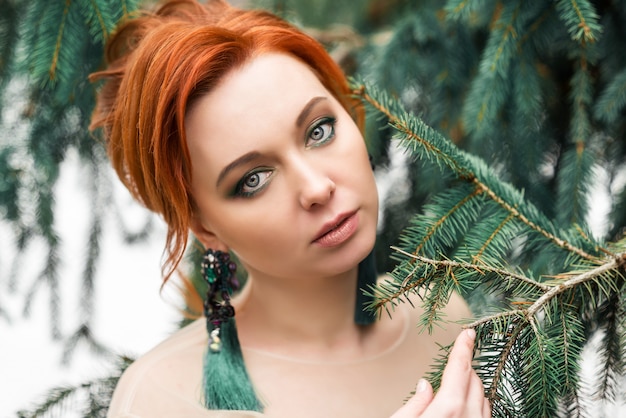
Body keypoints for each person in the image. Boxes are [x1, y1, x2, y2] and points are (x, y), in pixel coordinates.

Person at [90, 0, 491, 417]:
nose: (317, 187)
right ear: (205, 227)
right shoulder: (163, 398)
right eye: (253, 180)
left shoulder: (440, 317)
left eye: (319, 130)